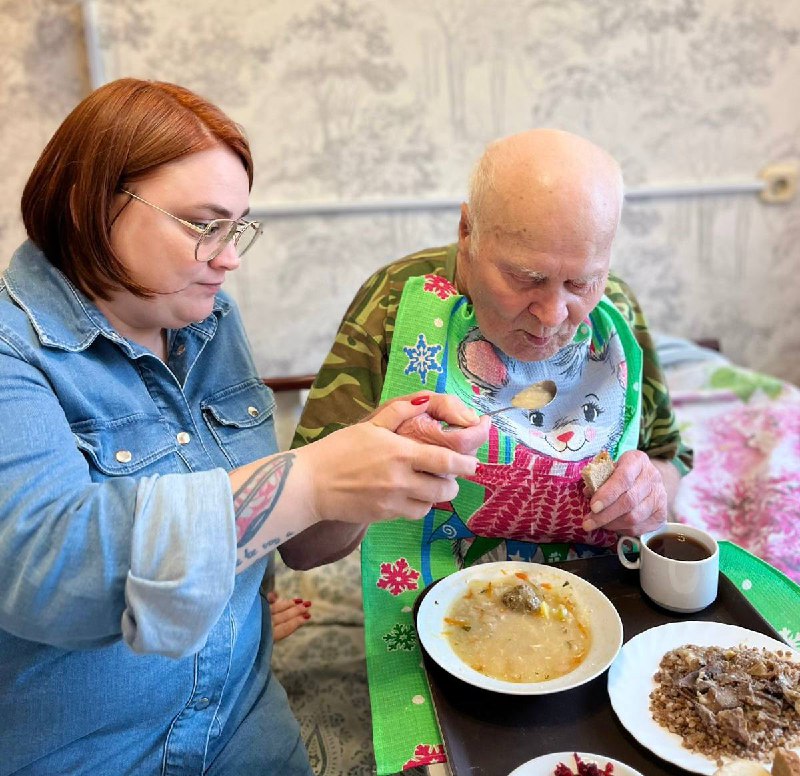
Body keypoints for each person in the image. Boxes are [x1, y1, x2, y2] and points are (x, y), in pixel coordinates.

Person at [0, 78, 488, 776]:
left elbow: (295, 544)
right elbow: (45, 571)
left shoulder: (206, 321)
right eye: (205, 226)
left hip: (237, 722)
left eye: (238, 229)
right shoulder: (14, 351)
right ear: (92, 205)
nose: (229, 258)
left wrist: (375, 459)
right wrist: (310, 479)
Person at [293, 128, 692, 562]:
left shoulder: (617, 309)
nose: (553, 315)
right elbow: (301, 548)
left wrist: (651, 492)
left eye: (582, 282)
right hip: (437, 600)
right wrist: (374, 454)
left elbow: (668, 457)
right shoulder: (396, 301)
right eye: (527, 279)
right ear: (468, 232)